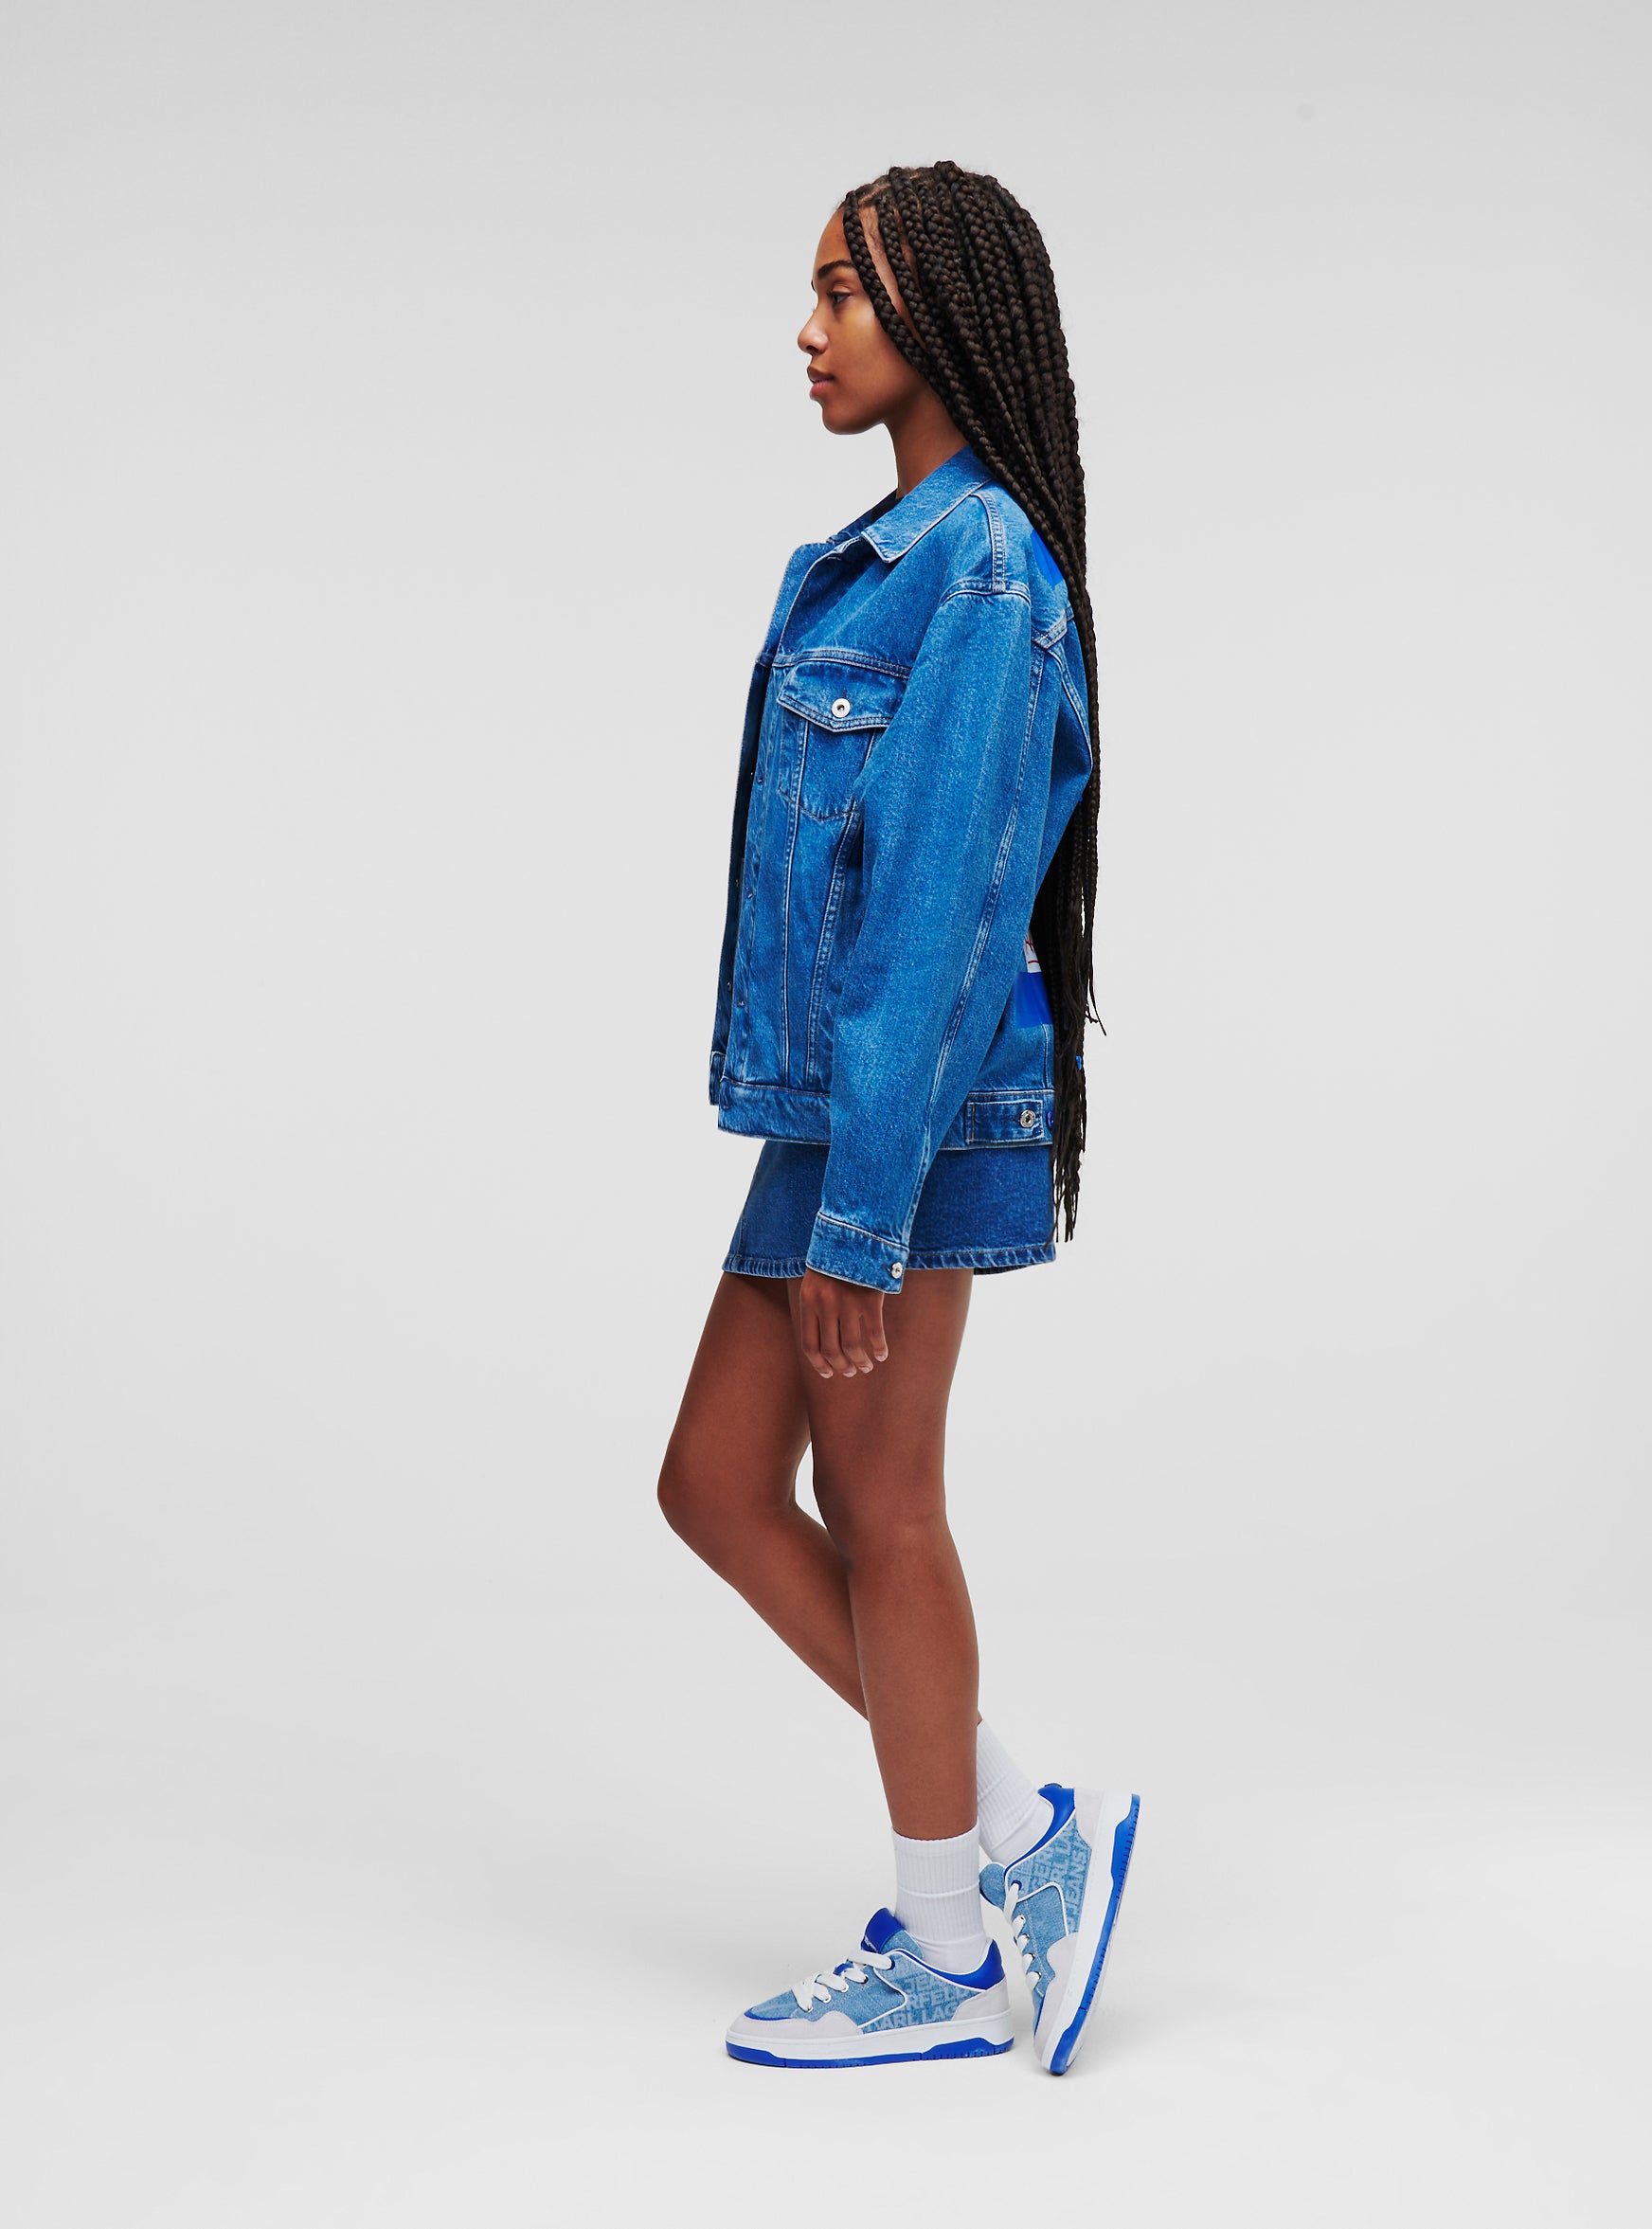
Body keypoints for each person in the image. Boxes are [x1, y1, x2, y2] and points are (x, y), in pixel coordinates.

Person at [658, 163, 1138, 2074]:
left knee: (882, 1503)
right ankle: (1017, 1821)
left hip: (909, 1118)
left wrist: (863, 1210)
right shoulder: (878, 559)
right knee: (713, 1483)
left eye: (841, 292)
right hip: (841, 1106)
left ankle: (944, 1941)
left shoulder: (985, 577)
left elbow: (939, 916)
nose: (808, 330)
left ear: (938, 313)